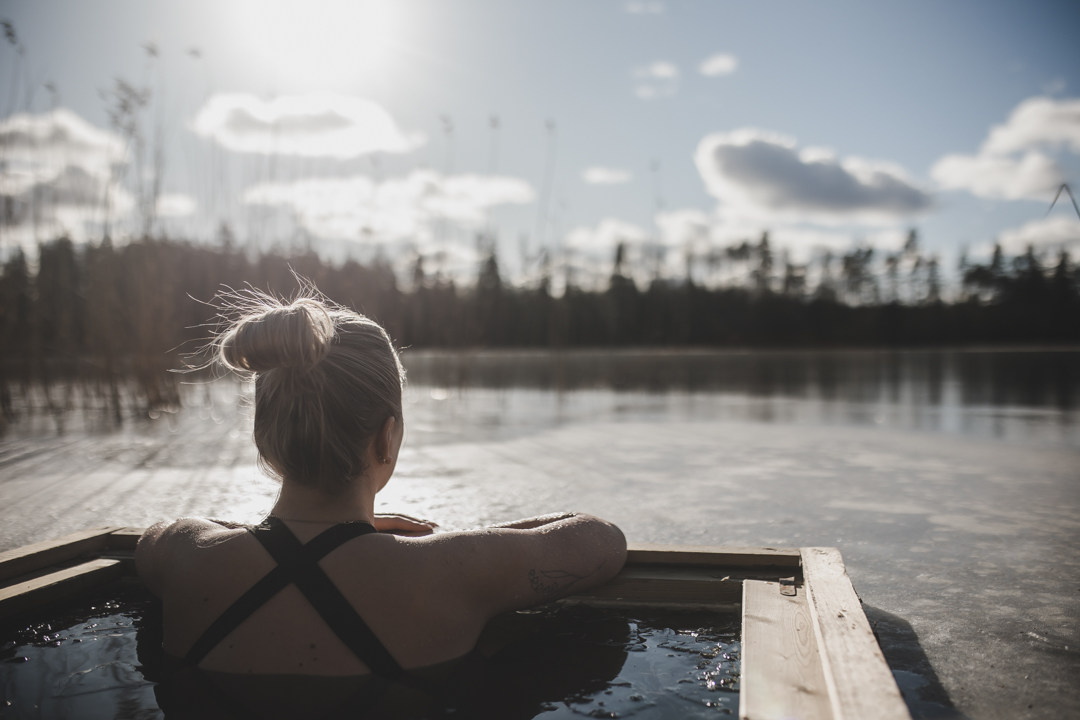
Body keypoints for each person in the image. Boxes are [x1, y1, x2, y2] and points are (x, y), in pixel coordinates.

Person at [135, 292, 627, 684]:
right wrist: (451, 542)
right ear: (386, 437)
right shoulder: (447, 570)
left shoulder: (185, 554)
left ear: (263, 440)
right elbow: (603, 540)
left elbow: (151, 540)